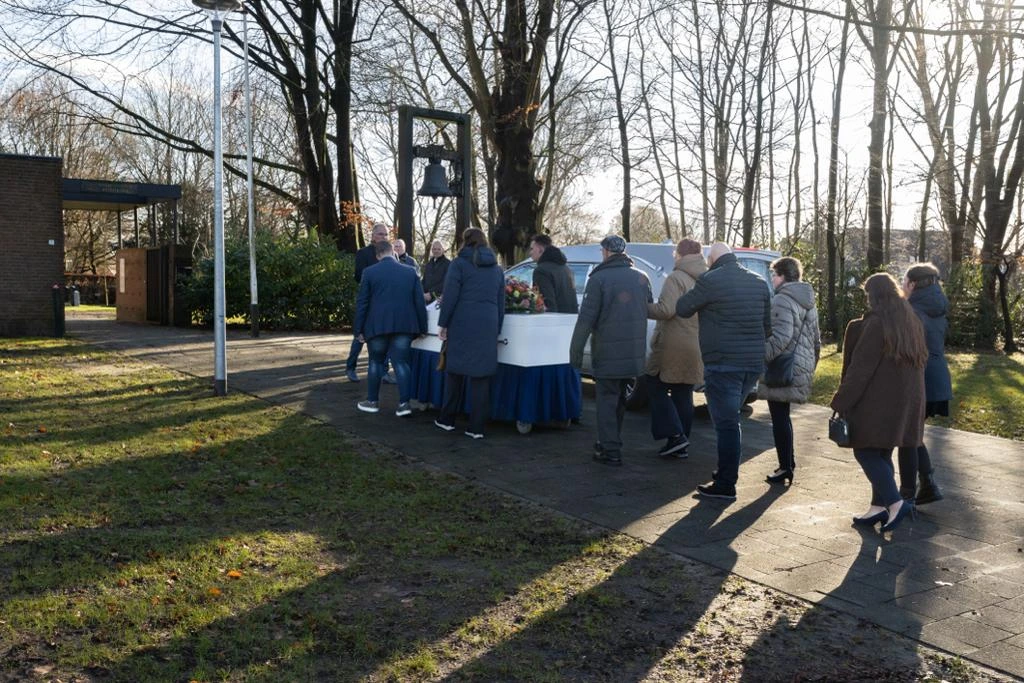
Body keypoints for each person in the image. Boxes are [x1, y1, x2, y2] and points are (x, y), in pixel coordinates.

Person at [675, 242, 771, 500]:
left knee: (727, 425)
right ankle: (724, 476)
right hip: (751, 364)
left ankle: (726, 484)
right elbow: (767, 327)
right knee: (731, 422)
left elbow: (682, 308)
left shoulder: (710, 279)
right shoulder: (760, 281)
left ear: (711, 259)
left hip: (722, 364)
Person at [832, 273, 927, 532]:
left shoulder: (877, 324)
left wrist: (840, 401)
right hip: (906, 402)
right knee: (881, 452)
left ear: (874, 296)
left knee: (864, 450)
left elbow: (860, 370)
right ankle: (878, 507)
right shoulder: (910, 321)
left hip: (878, 403)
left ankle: (896, 503)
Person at [570, 235, 652, 466]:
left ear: (605, 251)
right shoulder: (642, 277)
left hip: (607, 352)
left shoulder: (598, 279)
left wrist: (575, 354)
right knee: (619, 401)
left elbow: (585, 320)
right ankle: (611, 440)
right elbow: (647, 308)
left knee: (606, 401)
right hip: (634, 353)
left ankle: (610, 450)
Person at [434, 228, 506, 439]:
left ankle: (447, 420)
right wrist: (497, 327)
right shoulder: (497, 269)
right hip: (487, 325)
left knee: (454, 372)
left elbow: (450, 296)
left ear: (465, 241)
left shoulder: (459, 264)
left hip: (462, 323)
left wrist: (443, 324)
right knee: (481, 377)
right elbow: (500, 302)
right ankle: (476, 428)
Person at [758, 256, 821, 485]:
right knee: (783, 416)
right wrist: (809, 365)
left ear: (783, 276)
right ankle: (787, 464)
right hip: (798, 365)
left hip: (781, 367)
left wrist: (761, 356)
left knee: (779, 417)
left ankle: (785, 467)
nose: (772, 279)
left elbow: (781, 337)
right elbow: (816, 340)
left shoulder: (783, 299)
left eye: (774, 274)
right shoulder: (808, 300)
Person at [644, 238, 707, 458]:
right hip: (695, 343)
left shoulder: (676, 278)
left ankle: (675, 435)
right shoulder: (706, 278)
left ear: (679, 255)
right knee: (683, 393)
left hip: (673, 344)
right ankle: (680, 444)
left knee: (654, 384)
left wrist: (644, 307)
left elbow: (666, 310)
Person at [353, 240, 428, 416]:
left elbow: (362, 303)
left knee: (375, 362)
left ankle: (372, 401)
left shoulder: (369, 272)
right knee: (401, 363)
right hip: (404, 325)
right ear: (393, 252)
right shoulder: (410, 272)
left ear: (378, 255)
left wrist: (358, 330)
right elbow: (419, 303)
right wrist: (422, 328)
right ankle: (404, 404)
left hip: (377, 325)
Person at [897, 262, 951, 505]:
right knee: (913, 433)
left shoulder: (911, 310)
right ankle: (927, 484)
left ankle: (909, 492)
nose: (901, 285)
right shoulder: (935, 306)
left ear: (912, 284)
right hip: (937, 377)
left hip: (919, 378)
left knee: (908, 435)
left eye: (903, 280)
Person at [345, 222, 390, 383]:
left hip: (385, 301)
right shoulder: (363, 253)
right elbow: (358, 276)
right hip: (368, 300)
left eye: (386, 234)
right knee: (360, 336)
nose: (384, 237)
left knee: (384, 337)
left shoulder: (390, 253)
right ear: (373, 236)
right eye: (380, 234)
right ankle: (351, 368)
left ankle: (383, 372)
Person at [528, 233, 578, 313]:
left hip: (553, 322)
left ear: (540, 249)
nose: (530, 253)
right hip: (570, 320)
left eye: (532, 249)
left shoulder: (541, 271)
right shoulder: (566, 268)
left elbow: (546, 304)